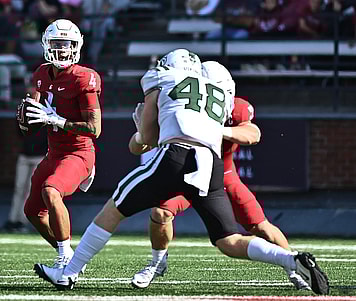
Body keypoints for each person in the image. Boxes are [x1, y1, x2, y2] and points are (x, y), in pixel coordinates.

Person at [33, 49, 329, 295]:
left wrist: (139, 129)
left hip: (177, 155)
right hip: (210, 163)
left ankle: (68, 273)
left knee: (113, 209)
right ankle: (289, 259)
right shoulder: (216, 91)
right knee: (227, 240)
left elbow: (143, 141)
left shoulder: (162, 79)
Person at [129, 62, 309, 291]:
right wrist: (142, 135)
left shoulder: (237, 108)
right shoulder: (178, 101)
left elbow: (253, 134)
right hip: (188, 171)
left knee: (260, 226)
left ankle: (295, 267)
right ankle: (156, 262)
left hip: (223, 174)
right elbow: (139, 147)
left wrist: (216, 130)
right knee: (161, 212)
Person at [18, 19, 101, 271]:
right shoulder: (41, 73)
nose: (62, 49)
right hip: (54, 152)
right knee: (33, 211)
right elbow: (32, 113)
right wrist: (27, 118)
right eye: (57, 43)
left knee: (51, 191)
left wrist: (56, 119)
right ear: (46, 45)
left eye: (67, 44)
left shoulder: (84, 77)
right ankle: (69, 254)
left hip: (79, 152)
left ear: (76, 46)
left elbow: (95, 129)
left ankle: (66, 261)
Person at [2, 125, 48, 233]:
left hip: (39, 155)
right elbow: (20, 132)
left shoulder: (47, 115)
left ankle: (22, 221)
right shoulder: (25, 113)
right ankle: (12, 219)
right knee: (19, 187)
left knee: (29, 189)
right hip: (25, 154)